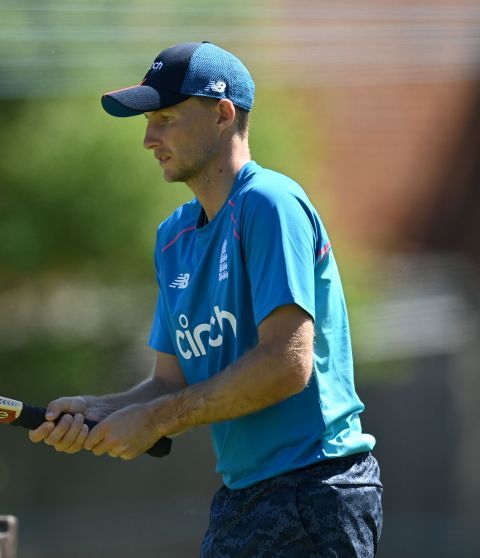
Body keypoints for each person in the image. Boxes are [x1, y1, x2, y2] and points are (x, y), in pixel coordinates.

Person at [28, 41, 383, 556]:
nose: (149, 138)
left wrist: (154, 421)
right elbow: (169, 381)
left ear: (222, 114)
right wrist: (101, 410)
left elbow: (287, 365)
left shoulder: (269, 204)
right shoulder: (172, 238)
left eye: (166, 118)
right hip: (242, 494)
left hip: (317, 487)